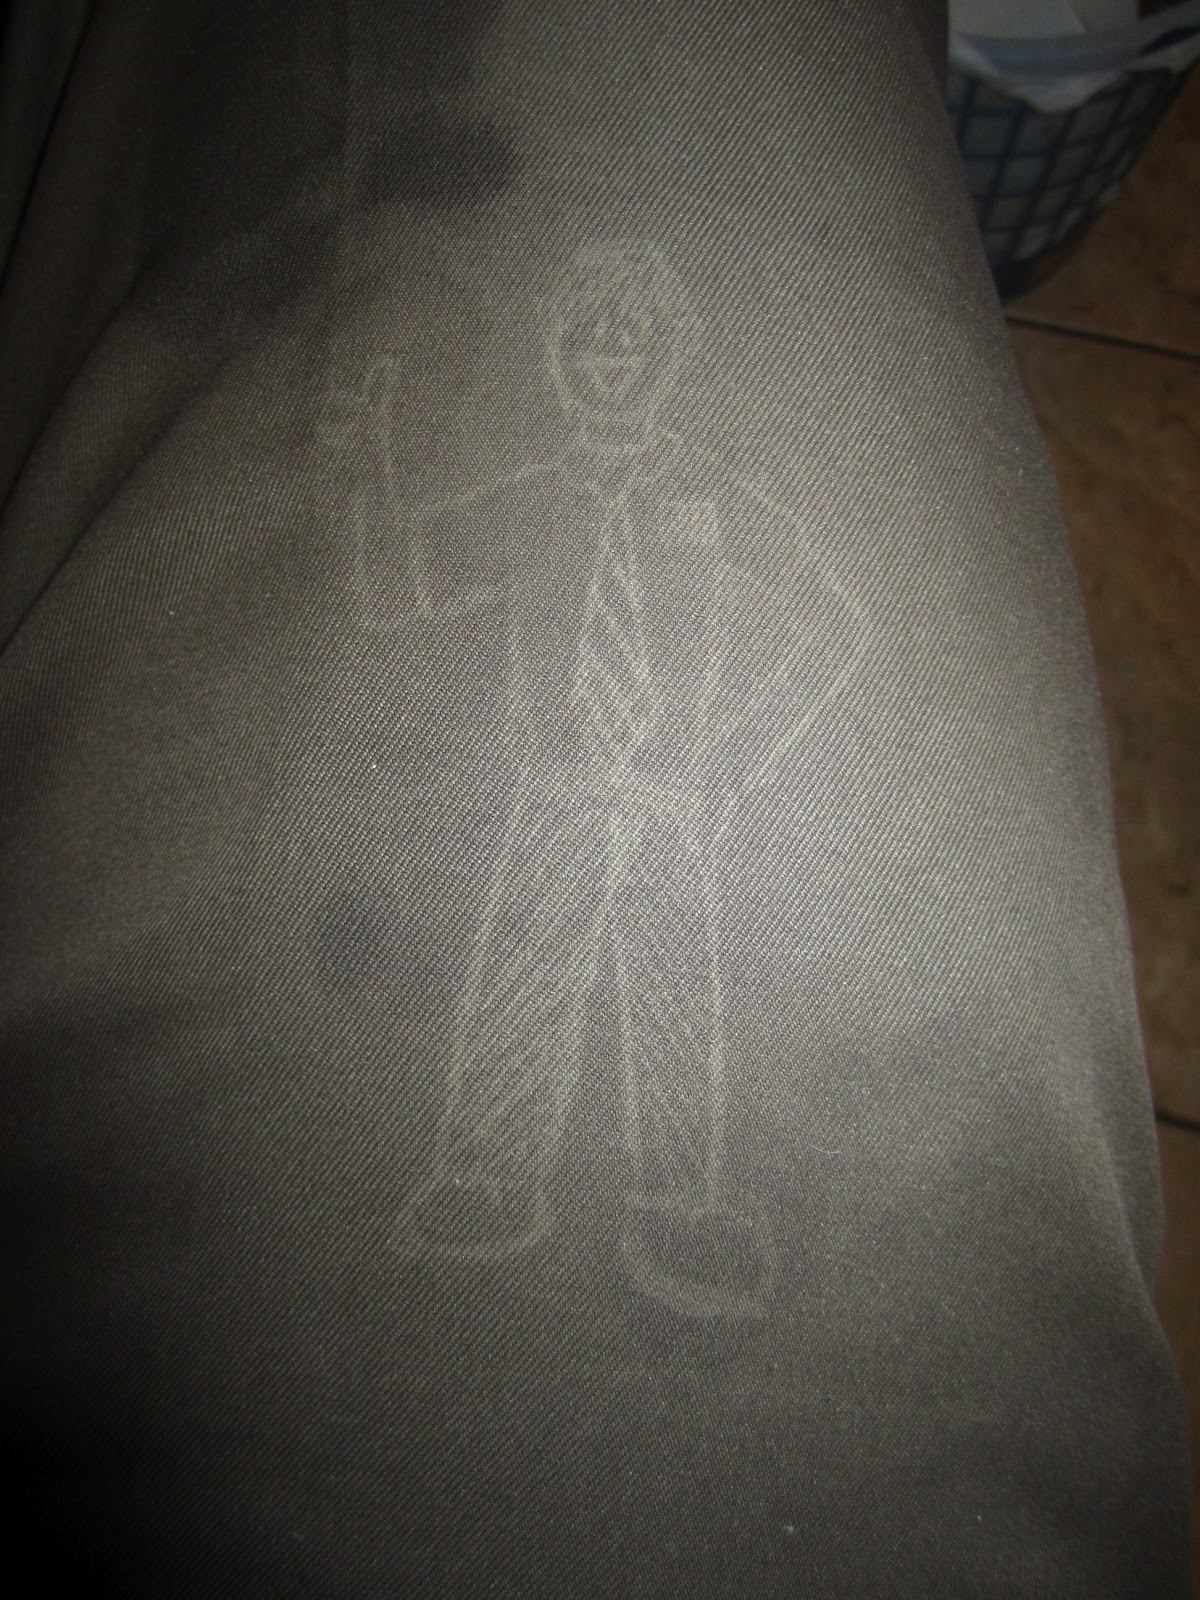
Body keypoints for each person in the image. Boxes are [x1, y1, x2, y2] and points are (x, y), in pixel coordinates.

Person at [0, 1, 1191, 1594]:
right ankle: (489, 1172)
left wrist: (733, 758)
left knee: (681, 1000)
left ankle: (677, 1198)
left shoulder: (714, 494)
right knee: (522, 979)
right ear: (566, 367)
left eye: (635, 347)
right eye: (591, 348)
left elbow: (828, 628)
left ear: (671, 361)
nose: (612, 366)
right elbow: (406, 585)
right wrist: (366, 466)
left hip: (670, 794)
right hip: (560, 787)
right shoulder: (532, 494)